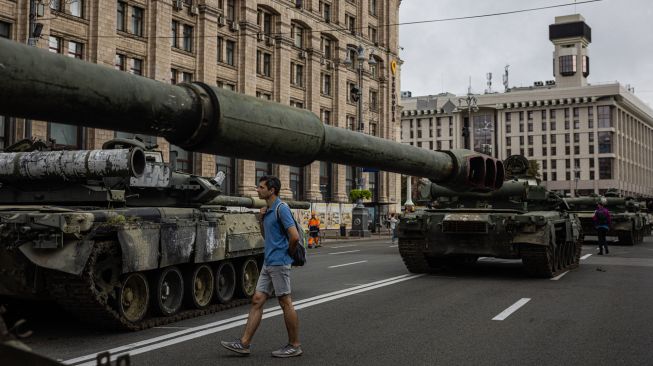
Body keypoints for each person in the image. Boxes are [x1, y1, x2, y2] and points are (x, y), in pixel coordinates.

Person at [221, 175, 303, 358]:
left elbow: (294, 236)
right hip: (268, 262)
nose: (257, 190)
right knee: (257, 300)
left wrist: (286, 254)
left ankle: (294, 345)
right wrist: (261, 218)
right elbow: (268, 237)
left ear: (271, 190)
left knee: (285, 302)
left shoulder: (282, 209)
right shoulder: (268, 210)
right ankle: (244, 344)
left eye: (261, 187)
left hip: (279, 262)